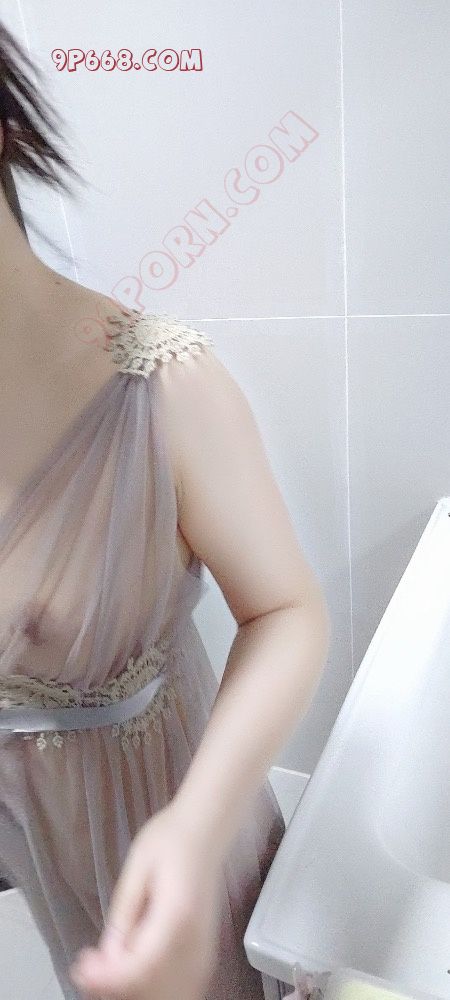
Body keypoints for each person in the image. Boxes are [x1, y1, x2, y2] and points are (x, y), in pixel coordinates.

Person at [0, 21, 330, 1000]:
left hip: (176, 826)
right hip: (38, 840)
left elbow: (288, 611)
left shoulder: (160, 387)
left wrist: (194, 830)